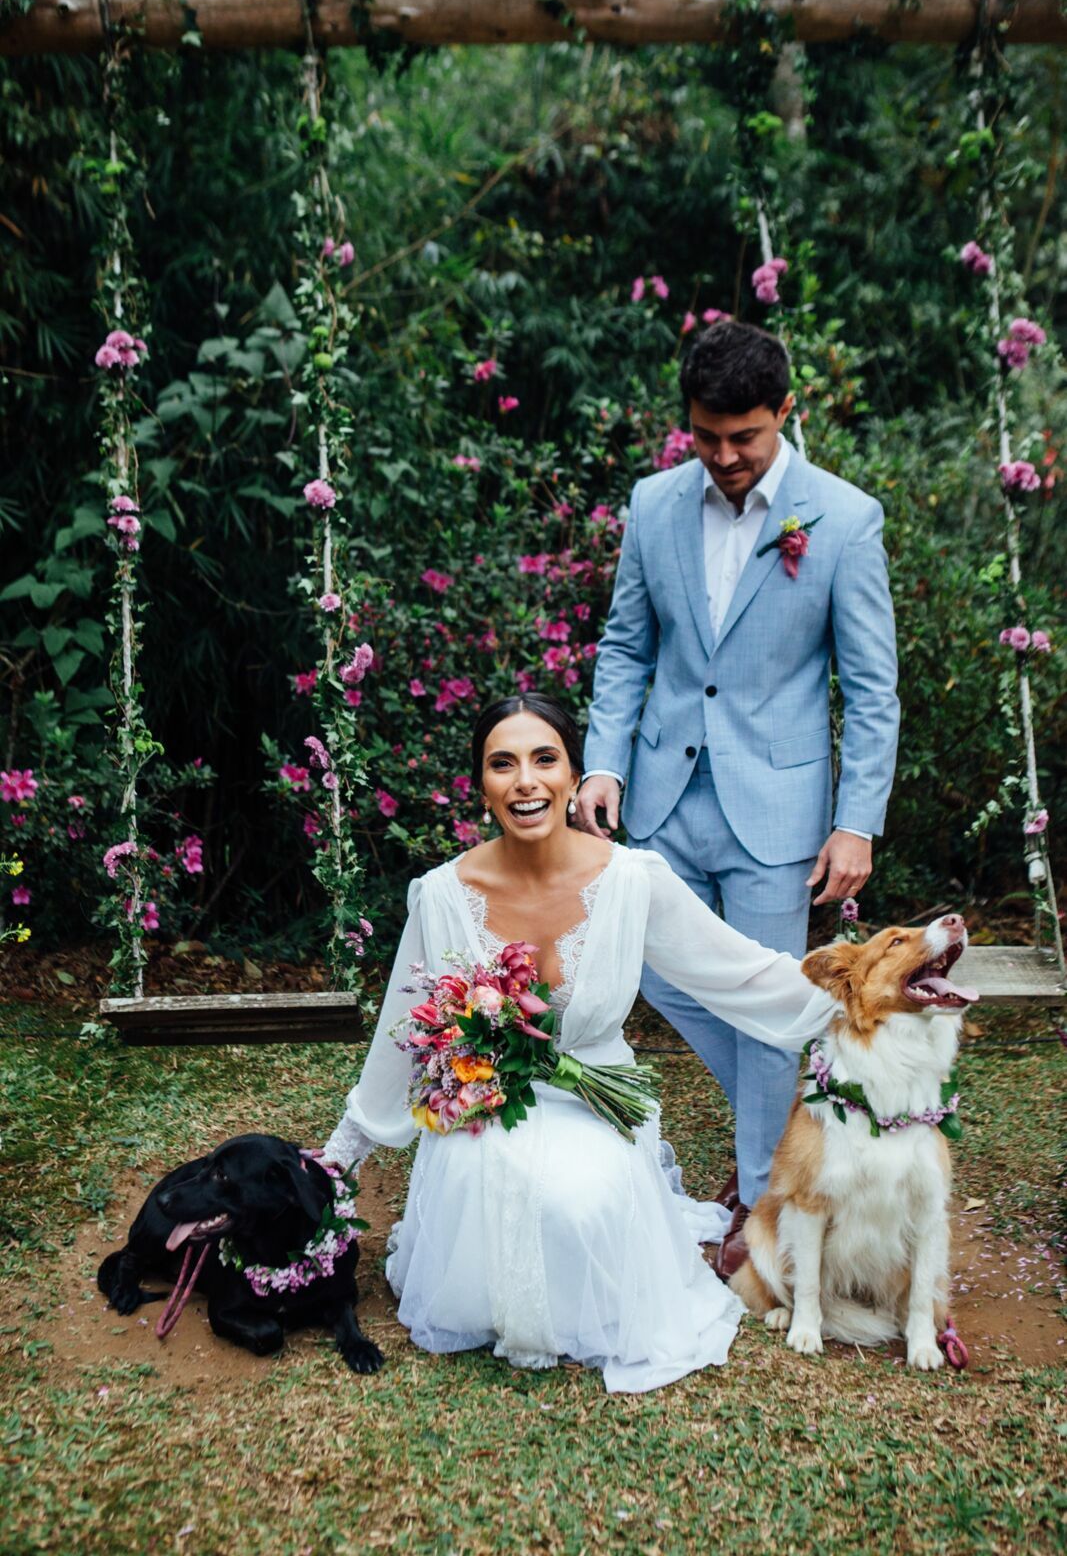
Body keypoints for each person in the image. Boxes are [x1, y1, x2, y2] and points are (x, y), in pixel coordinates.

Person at [323, 693, 837, 1394]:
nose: (525, 782)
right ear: (480, 784)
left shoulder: (631, 880)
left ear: (573, 775)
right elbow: (402, 1027)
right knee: (487, 1185)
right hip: (485, 1098)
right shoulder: (441, 895)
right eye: (502, 765)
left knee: (577, 1201)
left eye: (544, 760)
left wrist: (863, 988)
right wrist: (341, 1152)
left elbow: (739, 970)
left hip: (597, 1099)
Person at [576, 321, 899, 1281]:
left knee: (768, 1005)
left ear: (783, 415)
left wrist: (855, 819)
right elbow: (627, 646)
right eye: (706, 436)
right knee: (648, 967)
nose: (722, 459)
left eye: (743, 439)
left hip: (781, 811)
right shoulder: (652, 504)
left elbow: (870, 688)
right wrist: (604, 765)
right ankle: (789, 1124)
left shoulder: (844, 518)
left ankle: (762, 1194)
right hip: (664, 795)